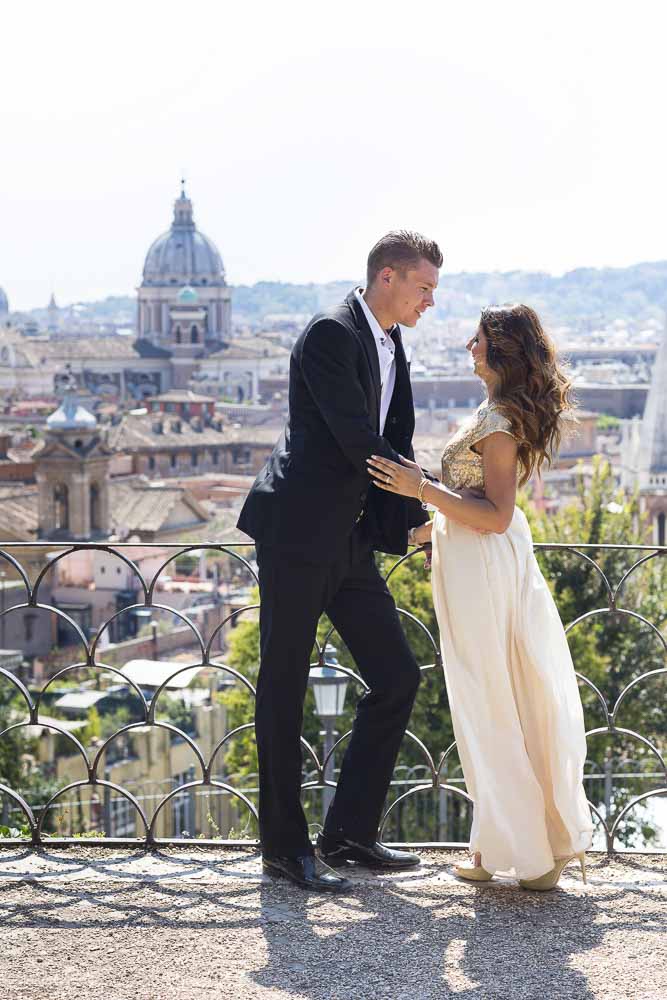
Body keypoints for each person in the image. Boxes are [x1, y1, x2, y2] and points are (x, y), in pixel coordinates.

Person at [237, 230, 443, 892]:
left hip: (349, 540)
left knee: (396, 675)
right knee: (283, 690)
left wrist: (414, 520)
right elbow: (359, 440)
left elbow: (395, 436)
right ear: (387, 276)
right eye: (423, 287)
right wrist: (421, 508)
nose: (429, 303)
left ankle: (348, 834)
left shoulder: (390, 341)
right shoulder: (330, 332)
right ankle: (283, 849)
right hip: (298, 534)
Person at [367, 304, 594, 891]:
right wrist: (420, 526)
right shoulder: (494, 413)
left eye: (479, 339)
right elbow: (470, 510)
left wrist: (422, 489)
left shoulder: (497, 423)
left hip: (485, 567)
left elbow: (495, 516)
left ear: (501, 349)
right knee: (496, 695)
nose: (469, 346)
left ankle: (530, 853)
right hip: (475, 564)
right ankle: (501, 845)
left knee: (491, 697)